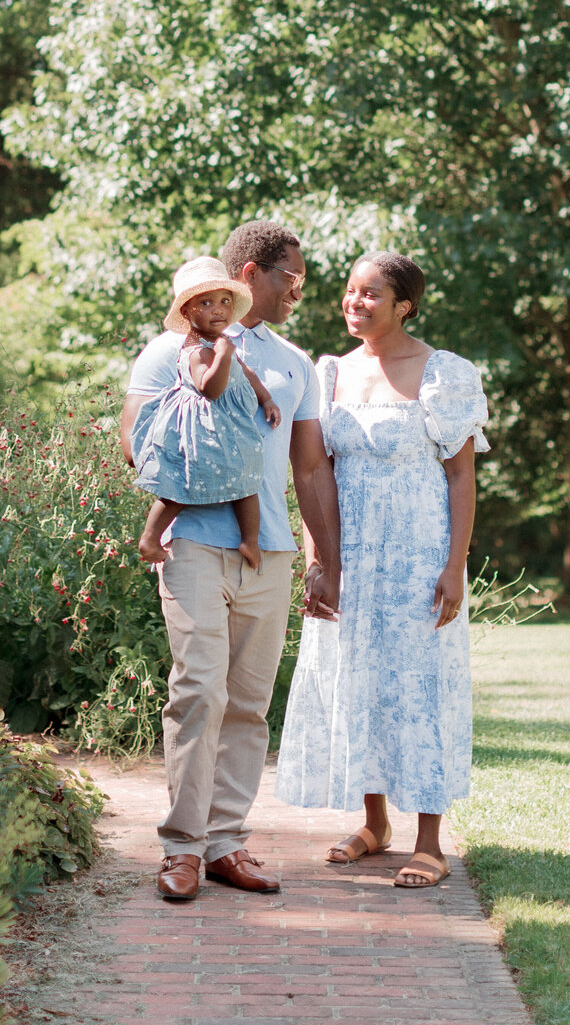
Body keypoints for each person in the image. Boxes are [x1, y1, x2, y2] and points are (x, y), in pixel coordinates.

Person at [121, 220, 342, 904]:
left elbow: (309, 469)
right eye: (291, 278)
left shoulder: (294, 363)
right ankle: (181, 849)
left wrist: (324, 559)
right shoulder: (169, 350)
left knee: (247, 704)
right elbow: (134, 447)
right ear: (249, 274)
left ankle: (224, 843)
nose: (299, 291)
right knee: (198, 693)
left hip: (269, 552)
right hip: (194, 543)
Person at [274, 252, 489, 890]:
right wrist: (319, 562)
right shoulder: (330, 373)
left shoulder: (444, 374)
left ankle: (429, 840)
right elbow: (316, 473)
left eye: (372, 295)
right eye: (349, 291)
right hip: (351, 553)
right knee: (357, 678)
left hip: (420, 555)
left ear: (405, 305)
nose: (355, 303)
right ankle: (374, 824)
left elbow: (461, 477)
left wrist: (456, 566)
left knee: (420, 686)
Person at [133, 257, 283, 570]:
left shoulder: (221, 344)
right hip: (203, 431)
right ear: (187, 311)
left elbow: (248, 374)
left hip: (234, 429)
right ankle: (150, 537)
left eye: (225, 301)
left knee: (249, 476)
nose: (218, 309)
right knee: (183, 484)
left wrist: (266, 399)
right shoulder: (195, 350)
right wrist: (224, 357)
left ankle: (249, 541)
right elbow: (209, 388)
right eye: (206, 302)